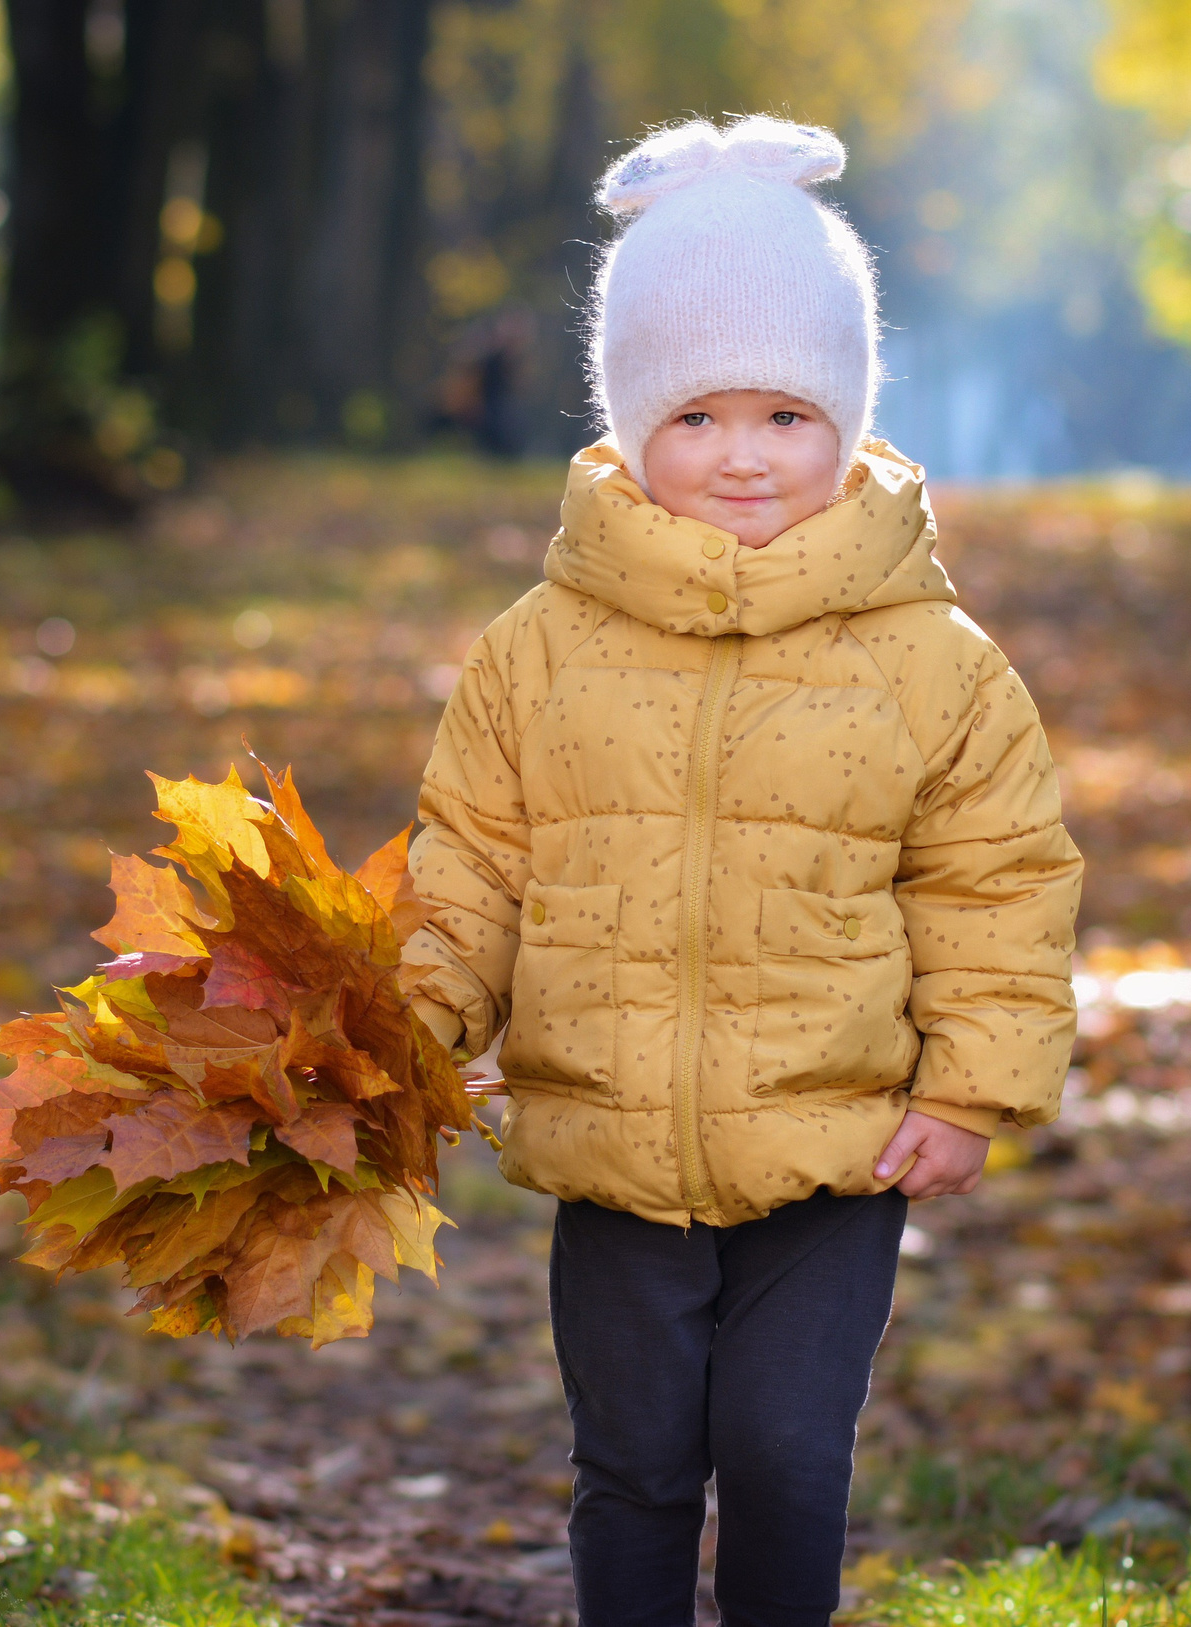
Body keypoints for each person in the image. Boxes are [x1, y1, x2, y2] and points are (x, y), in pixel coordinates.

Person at [398, 114, 1082, 1626]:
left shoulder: (932, 663)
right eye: (698, 416)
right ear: (634, 423)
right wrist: (410, 1033)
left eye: (787, 414)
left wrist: (972, 1085)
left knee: (782, 1455)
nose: (745, 456)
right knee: (634, 1462)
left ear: (846, 417)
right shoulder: (539, 649)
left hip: (835, 1150)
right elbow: (472, 864)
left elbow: (996, 880)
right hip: (615, 1142)